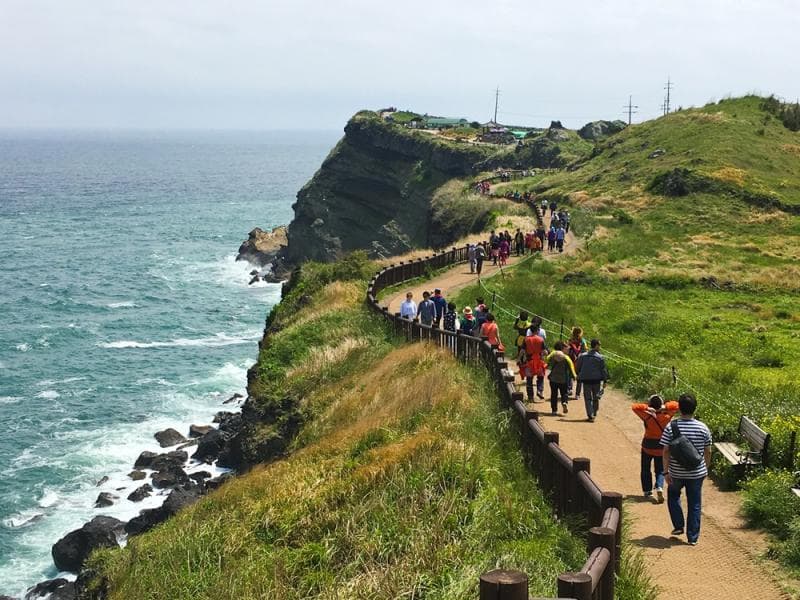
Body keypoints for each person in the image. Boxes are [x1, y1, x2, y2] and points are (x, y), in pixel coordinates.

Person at [659, 393, 713, 546]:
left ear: (679, 408)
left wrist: (666, 472)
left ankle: (678, 525)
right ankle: (693, 537)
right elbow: (708, 451)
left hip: (676, 473)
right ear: (695, 408)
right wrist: (705, 469)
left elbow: (665, 451)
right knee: (695, 503)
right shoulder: (703, 428)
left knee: (673, 496)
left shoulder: (671, 427)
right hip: (697, 472)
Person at [632, 395, 679, 502]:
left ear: (650, 404)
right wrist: (665, 407)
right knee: (660, 470)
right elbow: (677, 405)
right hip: (661, 446)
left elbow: (634, 407)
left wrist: (648, 408)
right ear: (661, 404)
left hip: (647, 445)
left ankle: (647, 491)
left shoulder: (647, 415)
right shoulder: (667, 416)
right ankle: (659, 487)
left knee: (645, 468)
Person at [575, 339, 609, 422]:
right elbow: (603, 370)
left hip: (586, 380)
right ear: (596, 345)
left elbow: (577, 367)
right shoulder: (600, 357)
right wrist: (605, 380)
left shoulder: (582, 356)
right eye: (599, 345)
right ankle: (594, 413)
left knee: (587, 398)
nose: (600, 347)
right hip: (596, 381)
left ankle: (590, 414)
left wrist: (579, 374)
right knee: (596, 397)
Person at [546, 341, 577, 415]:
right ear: (562, 348)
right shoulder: (566, 358)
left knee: (554, 394)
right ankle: (564, 402)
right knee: (564, 393)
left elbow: (547, 362)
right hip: (563, 379)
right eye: (567, 348)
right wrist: (574, 376)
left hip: (553, 378)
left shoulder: (553, 355)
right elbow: (571, 368)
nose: (568, 349)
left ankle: (554, 410)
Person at [520, 325, 546, 400]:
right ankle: (539, 390)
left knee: (529, 379)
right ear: (537, 330)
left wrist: (519, 359)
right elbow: (544, 351)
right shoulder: (541, 340)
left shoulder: (526, 339)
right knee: (540, 377)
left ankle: (530, 396)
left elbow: (522, 351)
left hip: (529, 361)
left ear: (530, 331)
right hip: (539, 361)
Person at [566, 327, 587, 398]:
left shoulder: (570, 340)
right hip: (580, 360)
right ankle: (577, 394)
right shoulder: (583, 341)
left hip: (571, 359)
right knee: (579, 377)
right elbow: (585, 350)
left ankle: (569, 389)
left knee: (569, 375)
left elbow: (567, 348)